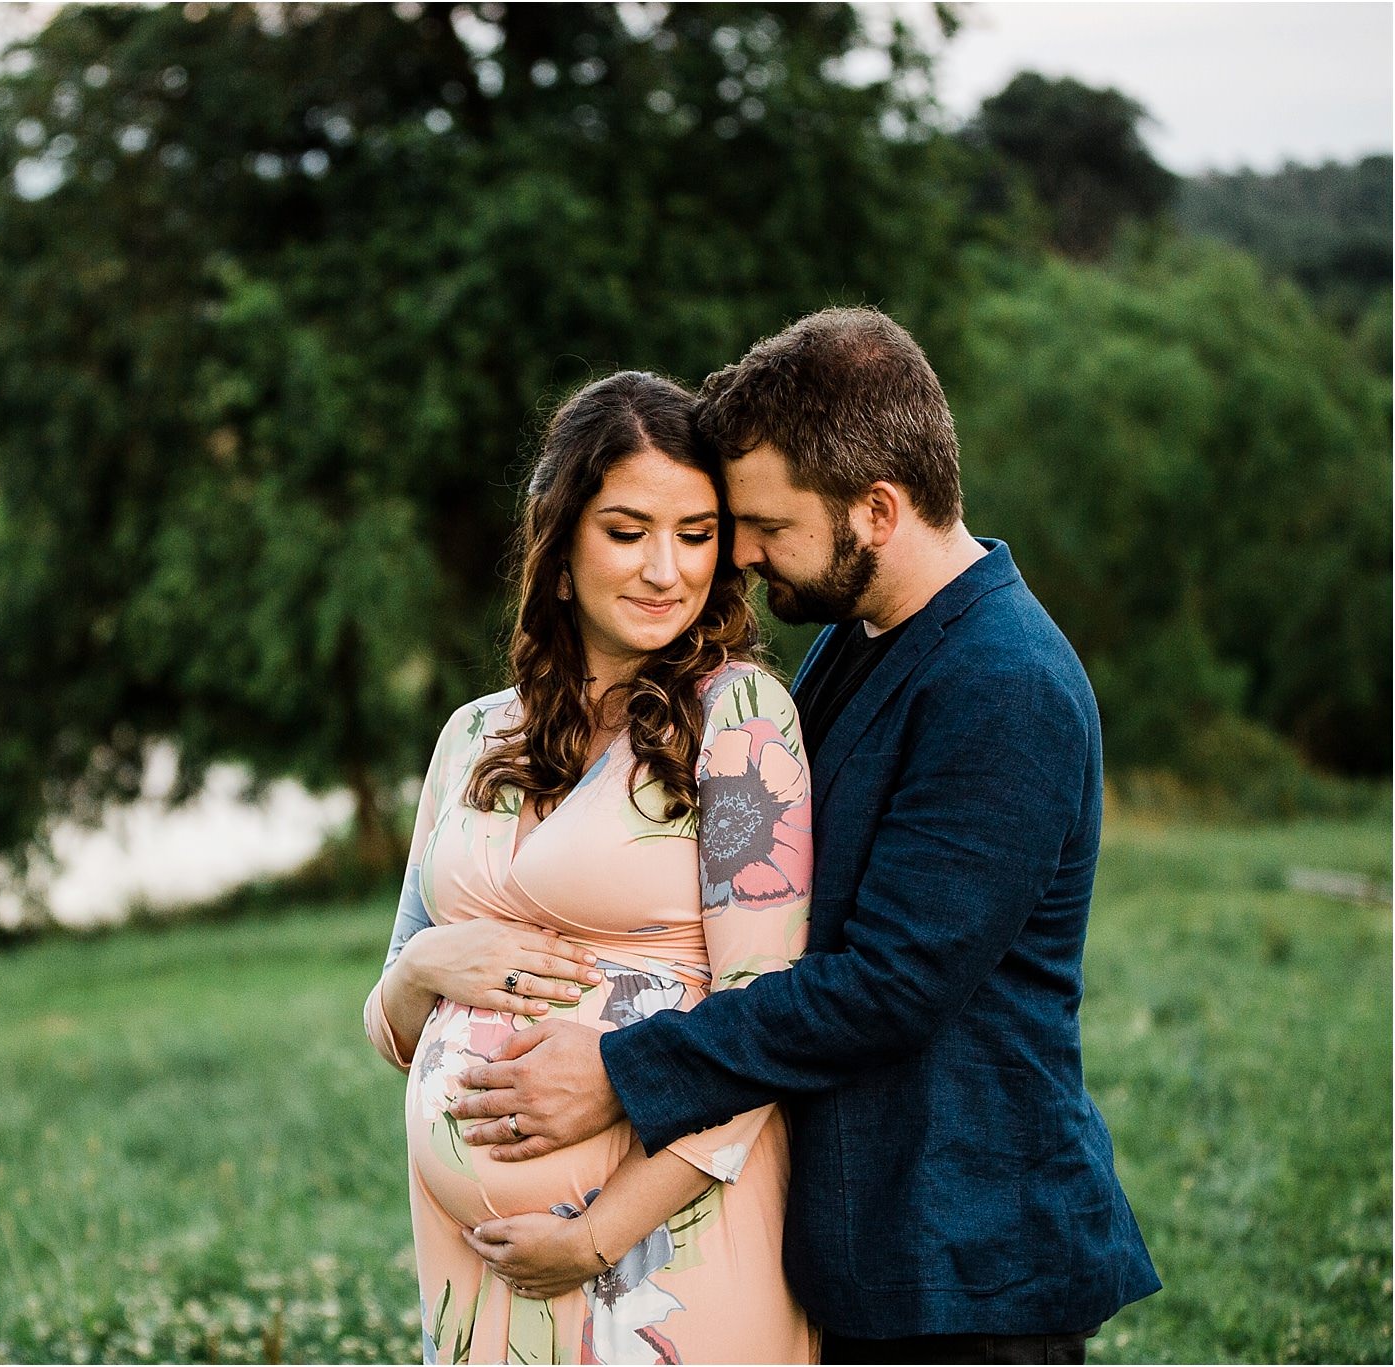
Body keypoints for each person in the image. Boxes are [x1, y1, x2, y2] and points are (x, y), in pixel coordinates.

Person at [448, 309, 1161, 1364]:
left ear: (875, 508)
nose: (736, 556)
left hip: (963, 1267)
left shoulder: (1002, 682)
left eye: (764, 526)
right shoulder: (859, 640)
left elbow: (887, 985)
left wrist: (619, 1065)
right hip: (861, 1246)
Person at [364, 370, 820, 1364]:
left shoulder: (738, 723)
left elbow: (763, 1023)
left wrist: (593, 1234)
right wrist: (425, 966)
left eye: (695, 534)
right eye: (626, 530)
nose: (666, 568)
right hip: (480, 1269)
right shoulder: (469, 736)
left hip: (662, 1261)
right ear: (560, 547)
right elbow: (392, 1017)